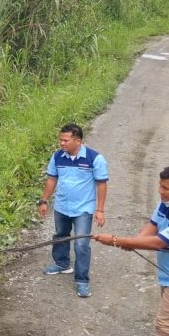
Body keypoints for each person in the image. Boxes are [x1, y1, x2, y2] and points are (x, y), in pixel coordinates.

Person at [92, 164, 169, 336]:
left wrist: (115, 240)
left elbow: (159, 242)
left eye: (166, 188)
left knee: (167, 323)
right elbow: (152, 226)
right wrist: (134, 242)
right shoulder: (167, 204)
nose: (161, 191)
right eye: (160, 186)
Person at [38, 123, 109, 298]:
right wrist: (44, 200)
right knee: (61, 235)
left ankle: (82, 281)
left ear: (78, 141)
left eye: (65, 140)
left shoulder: (95, 158)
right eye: (60, 139)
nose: (61, 143)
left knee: (81, 244)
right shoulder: (57, 157)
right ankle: (62, 265)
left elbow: (101, 184)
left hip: (83, 209)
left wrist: (100, 210)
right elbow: (52, 179)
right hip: (62, 206)